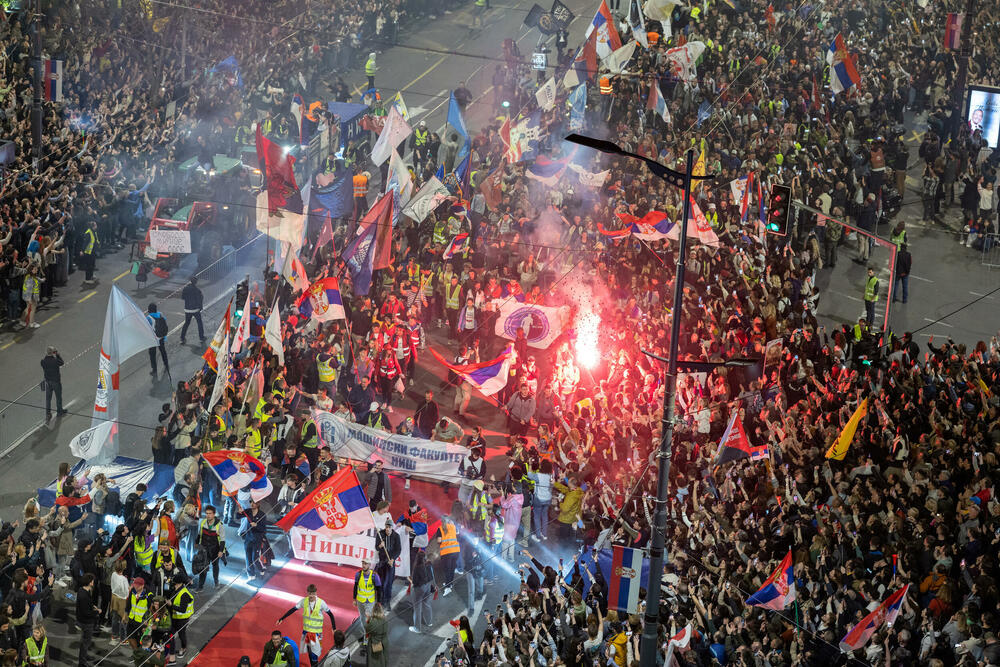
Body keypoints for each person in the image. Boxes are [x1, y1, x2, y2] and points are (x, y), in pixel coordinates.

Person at [277, 584, 337, 667]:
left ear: (316, 593)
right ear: (307, 593)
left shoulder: (321, 603)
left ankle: (315, 665)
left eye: (313, 593)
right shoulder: (304, 601)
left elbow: (330, 614)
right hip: (307, 631)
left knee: (314, 654)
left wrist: (334, 628)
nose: (311, 595)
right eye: (310, 593)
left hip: (316, 632)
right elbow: (293, 609)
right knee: (309, 651)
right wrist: (282, 618)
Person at [353, 558, 381, 652]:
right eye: (363, 563)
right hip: (360, 601)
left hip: (370, 602)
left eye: (365, 564)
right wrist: (354, 599)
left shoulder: (374, 576)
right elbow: (355, 586)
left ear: (369, 565)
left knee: (368, 621)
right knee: (362, 620)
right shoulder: (358, 574)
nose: (363, 565)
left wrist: (378, 602)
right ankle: (367, 634)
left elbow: (379, 589)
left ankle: (367, 640)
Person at [374, 518, 401, 610]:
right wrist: (380, 546)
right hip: (382, 563)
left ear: (392, 527)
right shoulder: (380, 534)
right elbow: (377, 548)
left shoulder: (396, 536)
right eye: (386, 527)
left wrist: (393, 559)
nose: (387, 529)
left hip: (390, 563)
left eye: (389, 527)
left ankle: (387, 602)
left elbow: (398, 549)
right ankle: (380, 602)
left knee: (388, 584)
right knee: (380, 583)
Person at [240, 500, 268, 581]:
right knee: (248, 558)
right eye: (251, 502)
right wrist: (239, 512)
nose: (252, 504)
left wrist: (256, 526)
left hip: (257, 539)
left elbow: (264, 530)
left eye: (254, 503)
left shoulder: (262, 515)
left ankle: (261, 568)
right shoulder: (248, 511)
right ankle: (251, 574)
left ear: (258, 504)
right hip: (248, 538)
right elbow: (238, 516)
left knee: (254, 558)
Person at [75, 573, 100, 667]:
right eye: (92, 581)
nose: (93, 582)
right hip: (86, 622)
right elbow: (87, 613)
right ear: (90, 582)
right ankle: (82, 662)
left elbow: (84, 606)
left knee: (86, 642)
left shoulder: (82, 590)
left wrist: (92, 606)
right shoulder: (84, 595)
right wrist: (97, 612)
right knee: (85, 642)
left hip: (83, 619)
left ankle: (84, 656)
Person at [408, 550, 435, 633]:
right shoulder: (428, 564)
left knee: (417, 607)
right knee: (427, 604)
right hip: (428, 586)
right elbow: (431, 576)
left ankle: (417, 628)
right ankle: (429, 622)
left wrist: (409, 579)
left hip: (419, 589)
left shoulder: (417, 568)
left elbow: (415, 582)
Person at [169, 574, 194, 658]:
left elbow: (183, 609)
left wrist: (171, 605)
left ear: (178, 583)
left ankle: (183, 648)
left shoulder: (184, 594)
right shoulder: (176, 590)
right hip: (174, 617)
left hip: (182, 619)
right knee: (170, 634)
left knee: (181, 634)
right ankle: (171, 650)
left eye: (174, 582)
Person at [40, 347, 66, 422]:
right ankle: (59, 411)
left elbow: (44, 363)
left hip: (48, 382)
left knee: (48, 399)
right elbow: (61, 362)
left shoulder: (43, 361)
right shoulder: (55, 361)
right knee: (58, 397)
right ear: (53, 352)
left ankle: (48, 414)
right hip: (56, 382)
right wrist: (57, 355)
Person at [146, 303, 170, 378]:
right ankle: (166, 365)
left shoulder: (149, 317)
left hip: (154, 339)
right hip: (161, 337)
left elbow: (147, 328)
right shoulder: (160, 314)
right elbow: (164, 324)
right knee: (163, 351)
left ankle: (154, 369)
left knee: (152, 354)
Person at [180, 277, 205, 344]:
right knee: (199, 323)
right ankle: (201, 338)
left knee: (186, 323)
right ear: (196, 282)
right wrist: (200, 307)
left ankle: (182, 338)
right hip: (195, 309)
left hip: (187, 309)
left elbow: (182, 297)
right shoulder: (197, 290)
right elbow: (200, 299)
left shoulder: (185, 288)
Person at [364, 603, 388, 667]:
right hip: (384, 642)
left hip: (375, 643)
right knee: (383, 659)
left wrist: (368, 619)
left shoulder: (373, 622)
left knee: (374, 661)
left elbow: (366, 630)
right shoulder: (385, 619)